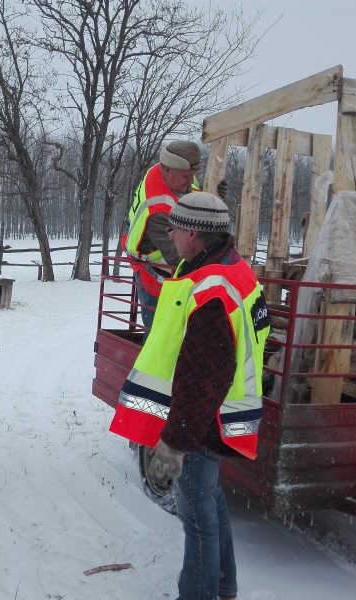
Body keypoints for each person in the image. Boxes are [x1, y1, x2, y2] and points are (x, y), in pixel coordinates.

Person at [110, 192, 270, 600]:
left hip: (202, 423)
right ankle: (225, 584)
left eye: (176, 228)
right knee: (210, 498)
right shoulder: (229, 269)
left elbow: (204, 380)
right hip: (217, 417)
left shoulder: (212, 289)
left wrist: (175, 443)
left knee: (196, 517)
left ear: (196, 234)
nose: (170, 234)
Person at [122, 140, 228, 331]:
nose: (190, 181)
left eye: (193, 176)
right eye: (186, 176)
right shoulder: (157, 210)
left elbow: (192, 196)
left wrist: (213, 196)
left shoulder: (171, 174)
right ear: (166, 169)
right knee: (159, 329)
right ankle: (152, 359)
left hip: (168, 255)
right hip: (153, 265)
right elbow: (179, 259)